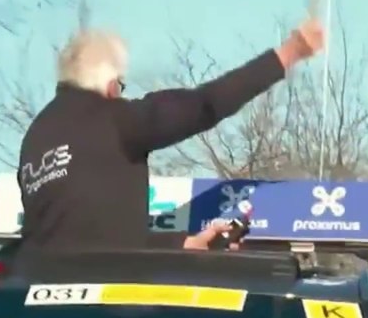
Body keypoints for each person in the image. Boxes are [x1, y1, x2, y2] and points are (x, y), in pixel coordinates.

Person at [16, 18, 324, 252]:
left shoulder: (35, 139)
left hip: (37, 308)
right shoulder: (116, 120)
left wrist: (185, 243)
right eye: (120, 86)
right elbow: (207, 104)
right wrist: (290, 52)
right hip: (108, 313)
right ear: (111, 85)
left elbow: (87, 238)